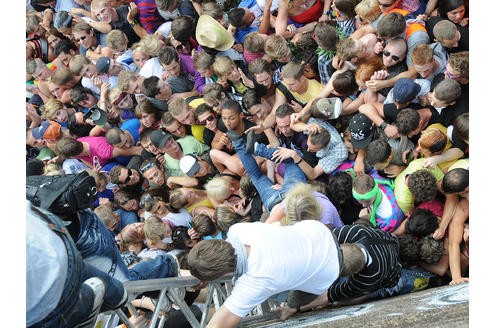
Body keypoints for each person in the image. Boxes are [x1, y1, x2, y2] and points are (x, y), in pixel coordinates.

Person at [187, 219, 341, 326]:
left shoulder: (254, 283)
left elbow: (218, 324)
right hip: (320, 232)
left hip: (331, 268)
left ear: (220, 275)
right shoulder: (238, 230)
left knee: (284, 297)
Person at [299, 224, 402, 314]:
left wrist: (297, 307)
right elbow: (320, 241)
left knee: (341, 301)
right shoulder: (355, 232)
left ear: (355, 273)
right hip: (388, 241)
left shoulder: (371, 275)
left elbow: (330, 295)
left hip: (392, 274)